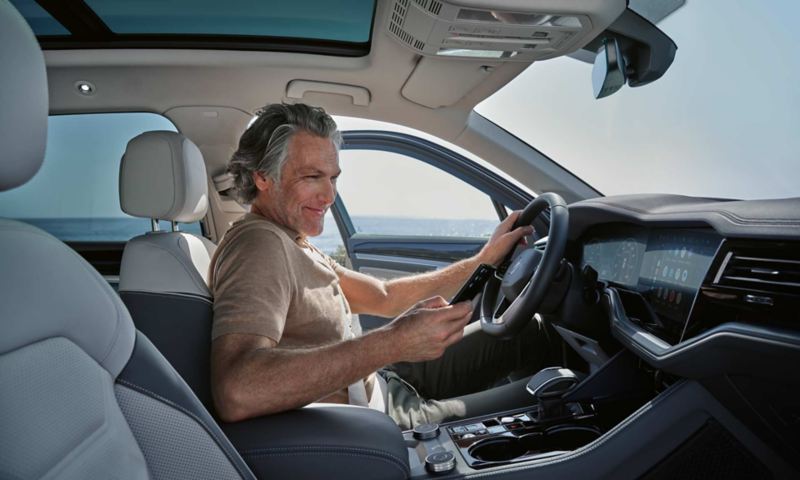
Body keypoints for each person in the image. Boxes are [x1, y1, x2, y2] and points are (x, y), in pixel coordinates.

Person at [209, 103, 548, 429]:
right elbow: (237, 390)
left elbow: (384, 296)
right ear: (263, 178)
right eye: (312, 176)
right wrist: (392, 342)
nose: (329, 196)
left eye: (333, 178)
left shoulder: (292, 240)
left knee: (528, 332)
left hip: (381, 381)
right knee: (557, 391)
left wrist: (484, 260)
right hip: (372, 421)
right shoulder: (259, 246)